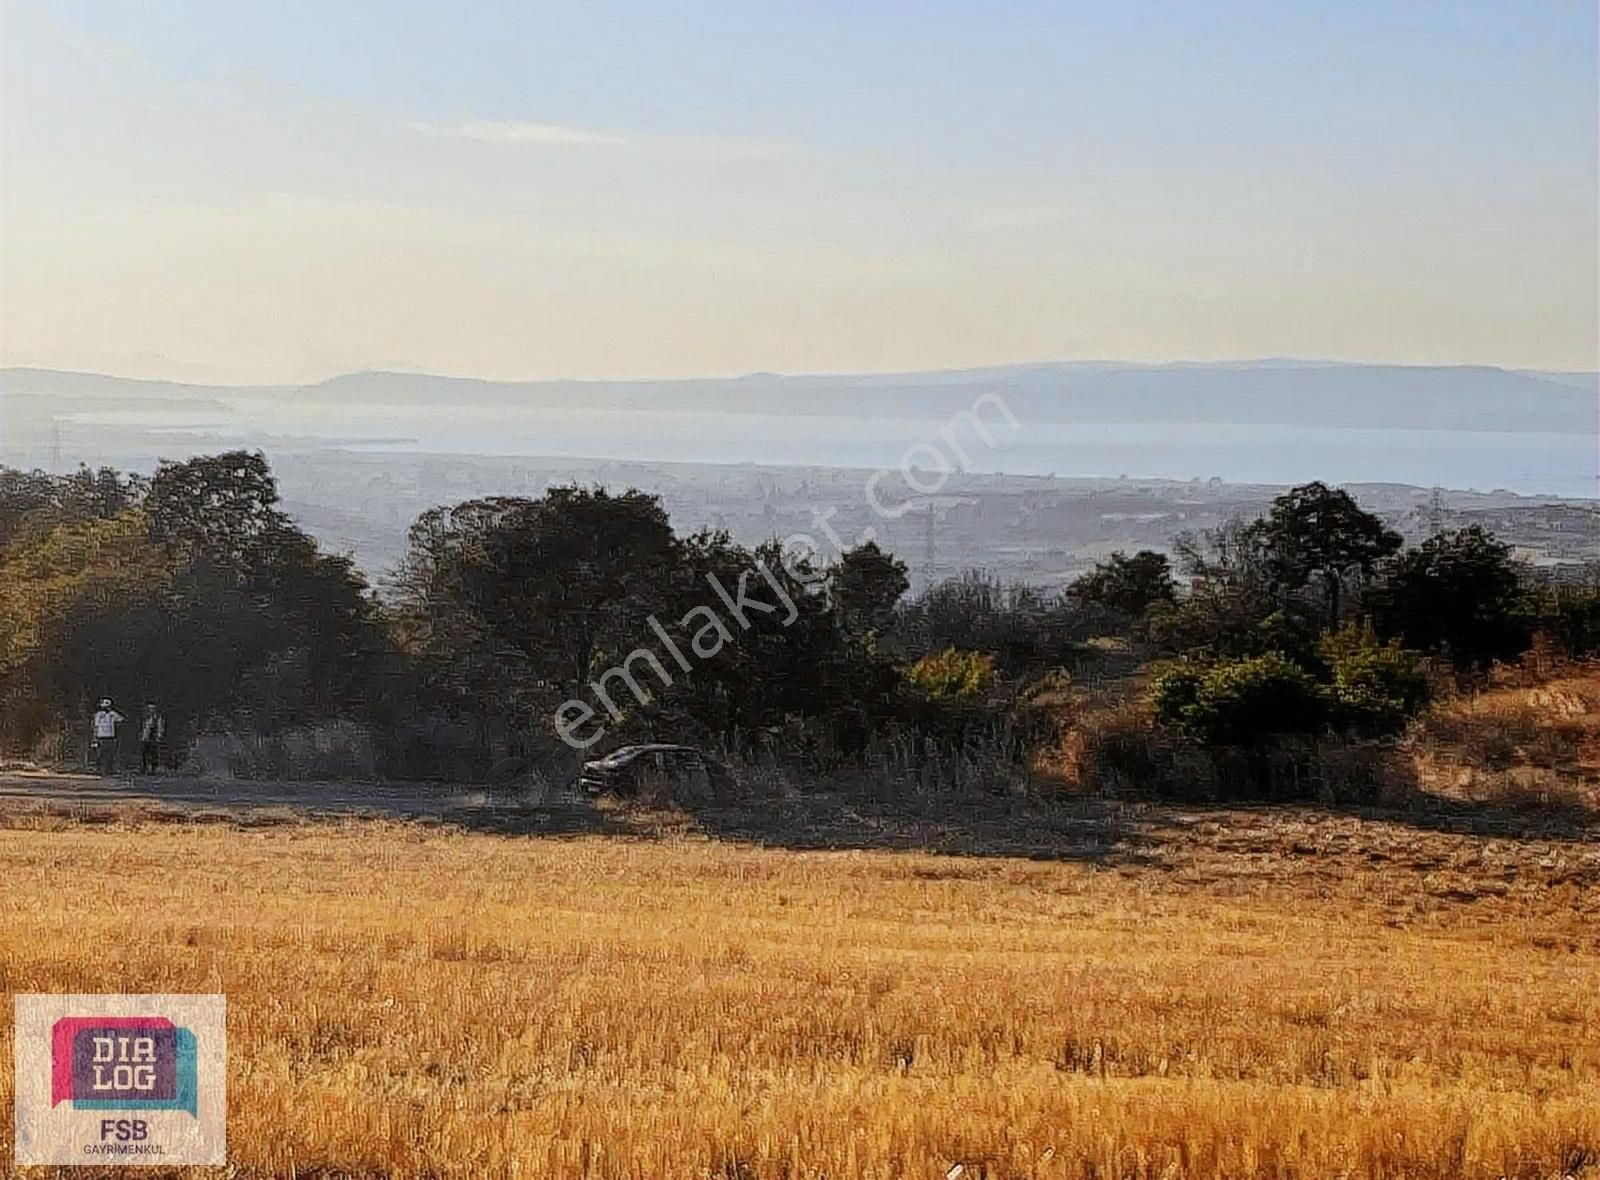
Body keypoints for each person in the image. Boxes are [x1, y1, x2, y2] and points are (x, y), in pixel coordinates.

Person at [91, 699, 124, 775]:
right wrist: (95, 738)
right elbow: (95, 726)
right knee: (101, 754)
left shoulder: (112, 714)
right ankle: (100, 769)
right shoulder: (98, 715)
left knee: (110, 754)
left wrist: (115, 720)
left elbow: (121, 719)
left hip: (110, 737)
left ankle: (109, 769)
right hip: (101, 736)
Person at [139, 703, 166, 774]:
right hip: (146, 737)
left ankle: (152, 768)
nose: (150, 710)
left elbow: (160, 727)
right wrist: (142, 736)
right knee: (144, 753)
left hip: (153, 737)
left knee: (153, 753)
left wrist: (159, 736)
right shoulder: (145, 717)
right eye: (149, 709)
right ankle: (144, 767)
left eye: (152, 709)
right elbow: (144, 727)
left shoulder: (157, 717)